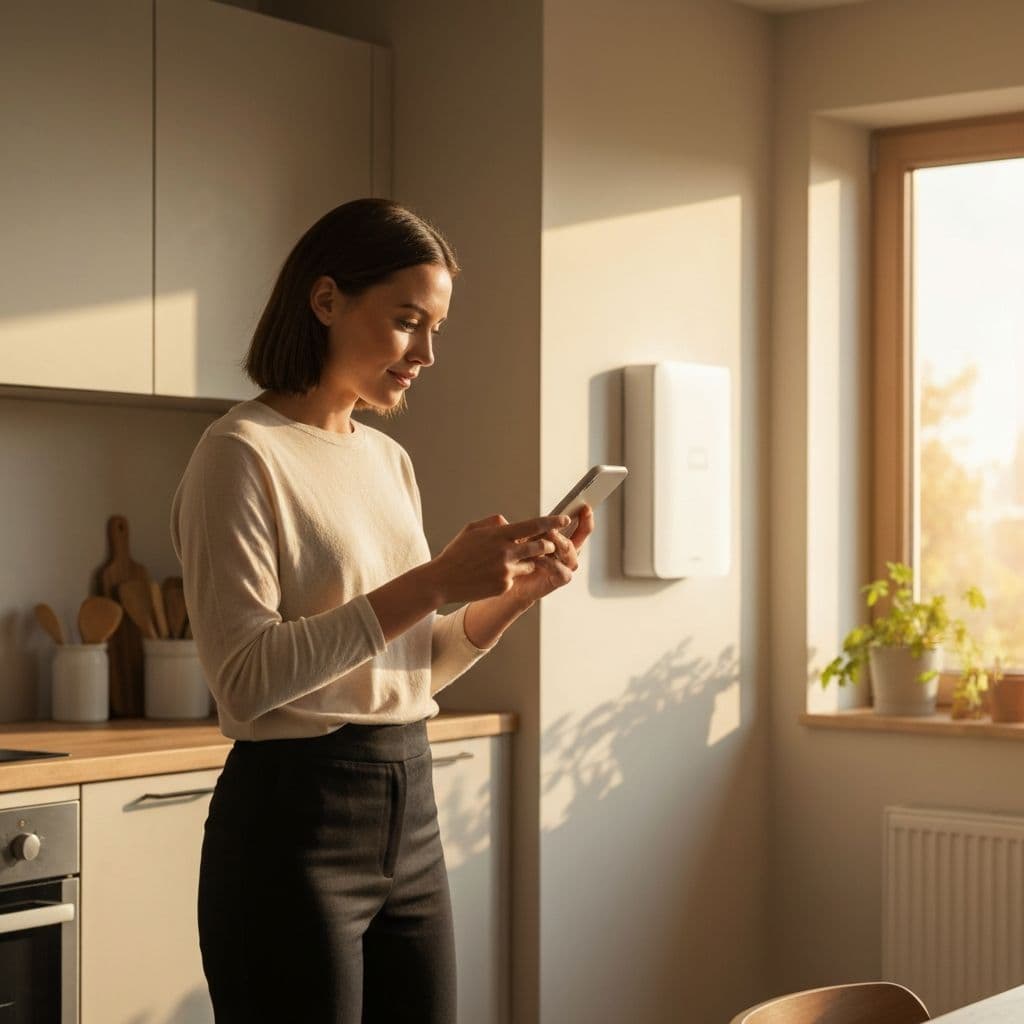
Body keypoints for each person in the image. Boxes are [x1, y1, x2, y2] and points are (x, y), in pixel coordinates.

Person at [169, 197, 594, 1024]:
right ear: (326, 301)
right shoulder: (238, 454)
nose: (426, 353)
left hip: (411, 800)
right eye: (407, 322)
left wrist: (511, 595)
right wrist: (434, 580)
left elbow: (407, 662)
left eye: (435, 327)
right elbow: (245, 679)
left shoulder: (387, 460)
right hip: (295, 825)